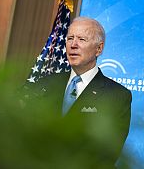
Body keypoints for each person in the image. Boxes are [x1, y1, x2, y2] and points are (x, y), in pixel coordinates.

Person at [24, 17, 132, 167]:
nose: (73, 45)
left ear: (99, 49)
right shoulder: (45, 84)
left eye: (81, 39)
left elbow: (107, 154)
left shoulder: (117, 96)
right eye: (70, 38)